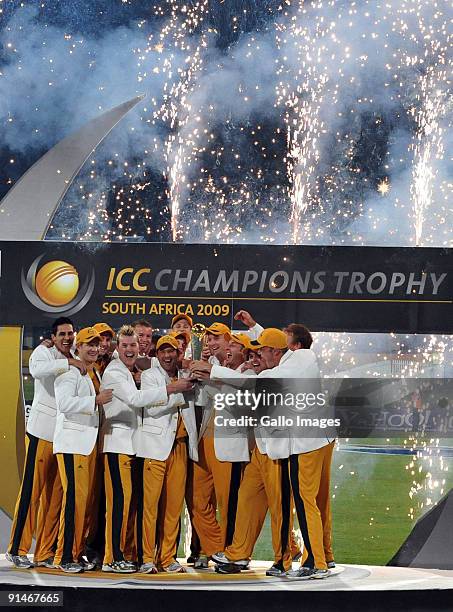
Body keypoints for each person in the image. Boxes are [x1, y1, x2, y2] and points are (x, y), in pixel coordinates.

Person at [191, 327, 329, 577]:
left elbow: (257, 383)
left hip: (295, 445)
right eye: (252, 352)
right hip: (267, 445)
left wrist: (213, 371)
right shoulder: (270, 367)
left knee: (290, 505)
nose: (255, 357)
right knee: (248, 499)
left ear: (276, 351)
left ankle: (304, 560)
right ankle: (238, 554)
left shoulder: (298, 360)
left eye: (260, 351)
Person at [6, 317, 84, 570]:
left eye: (70, 333)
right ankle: (17, 548)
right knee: (32, 492)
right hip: (41, 433)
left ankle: (44, 552)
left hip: (63, 439)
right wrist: (68, 362)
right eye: (62, 333)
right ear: (53, 335)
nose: (67, 337)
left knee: (56, 498)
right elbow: (37, 371)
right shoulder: (44, 352)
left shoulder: (75, 352)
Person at [100, 324, 168, 573]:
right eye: (125, 345)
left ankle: (118, 555)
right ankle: (111, 559)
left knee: (125, 503)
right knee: (118, 503)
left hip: (127, 447)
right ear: (118, 347)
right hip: (116, 445)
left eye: (133, 345)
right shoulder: (115, 372)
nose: (129, 349)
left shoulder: (127, 370)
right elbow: (135, 400)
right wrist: (170, 389)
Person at [53, 327, 113, 573]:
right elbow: (64, 404)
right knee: (74, 503)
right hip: (72, 445)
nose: (93, 347)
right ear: (77, 347)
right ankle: (65, 556)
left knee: (84, 505)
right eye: (88, 343)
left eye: (96, 344)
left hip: (86, 446)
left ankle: (75, 554)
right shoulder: (69, 372)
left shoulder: (90, 373)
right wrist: (95, 401)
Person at [134, 335, 196, 573]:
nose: (168, 356)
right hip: (154, 447)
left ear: (178, 354)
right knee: (150, 507)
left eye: (172, 352)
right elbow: (151, 405)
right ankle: (147, 558)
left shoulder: (183, 375)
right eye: (163, 352)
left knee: (173, 508)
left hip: (179, 446)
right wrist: (178, 392)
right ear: (157, 354)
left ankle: (168, 558)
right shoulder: (150, 376)